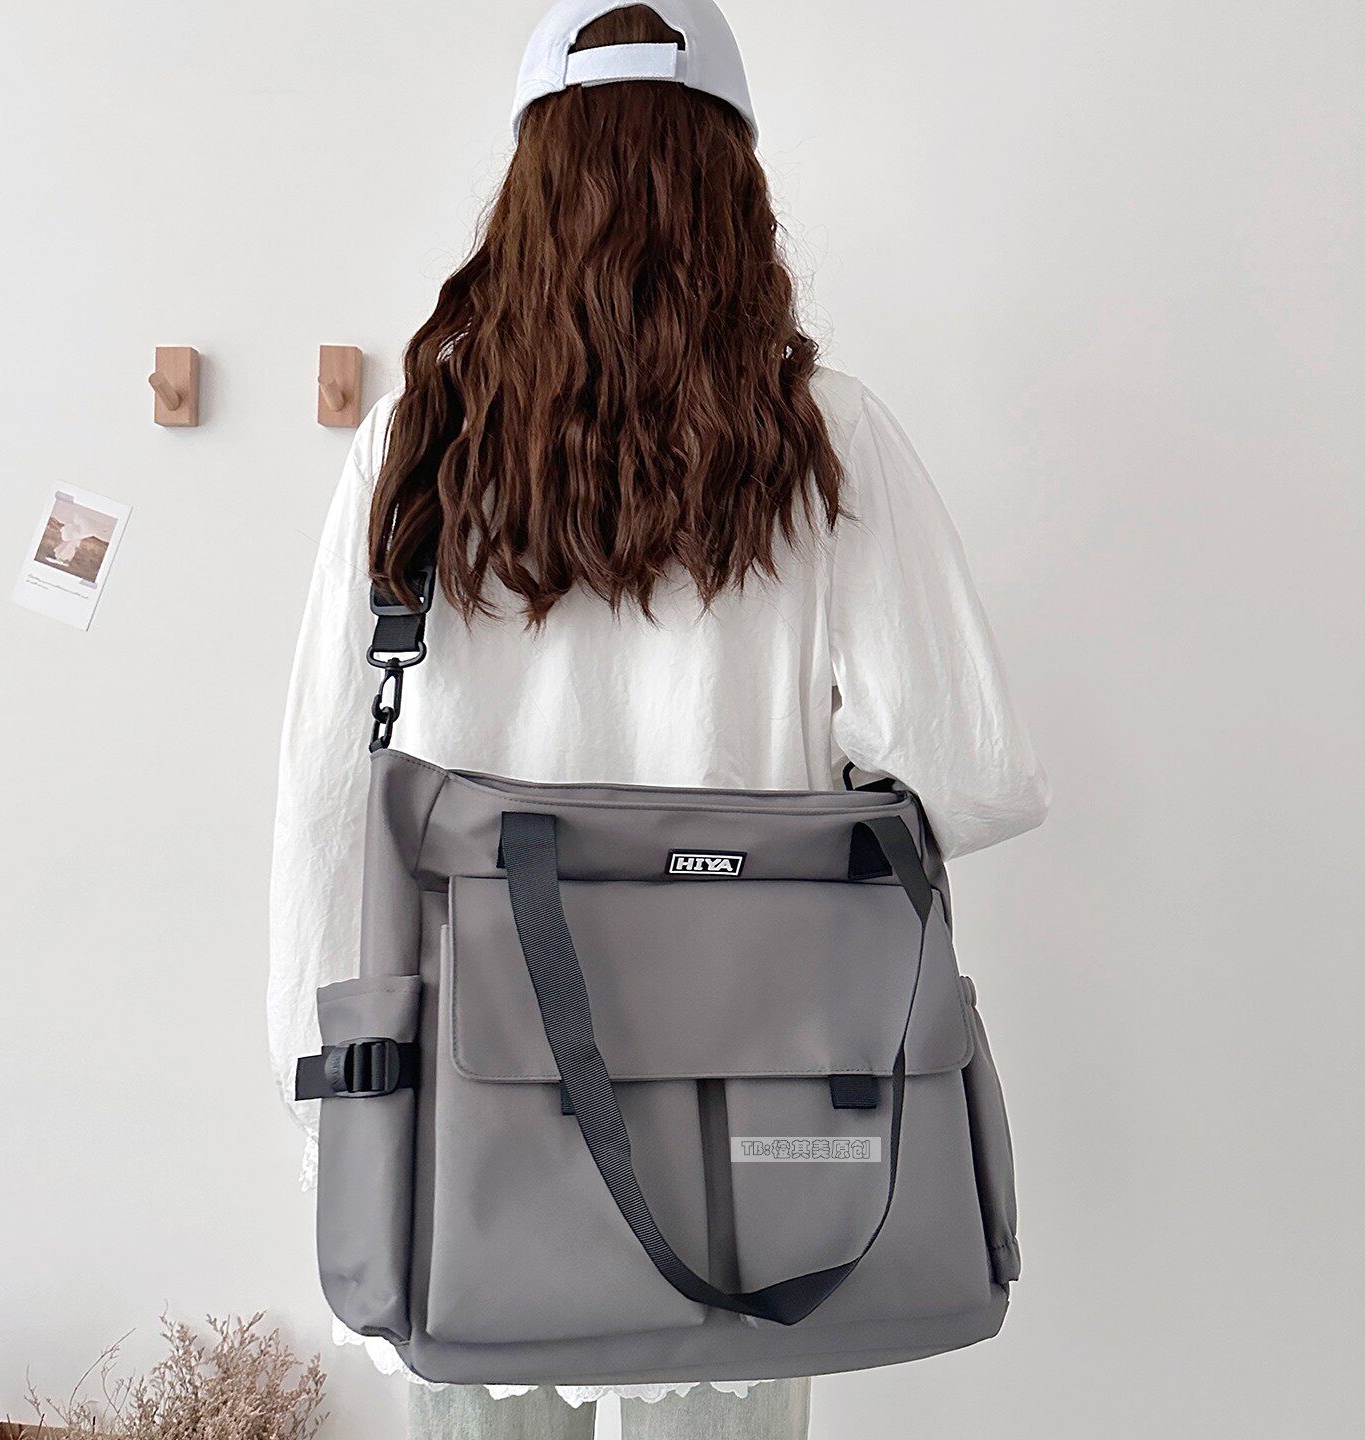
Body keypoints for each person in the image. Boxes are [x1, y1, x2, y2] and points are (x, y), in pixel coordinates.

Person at [268, 2, 1049, 1435]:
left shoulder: (417, 443)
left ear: (530, 183)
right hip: (759, 1119)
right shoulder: (825, 441)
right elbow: (970, 773)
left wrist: (324, 1088)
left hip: (470, 1121)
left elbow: (334, 792)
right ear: (734, 187)